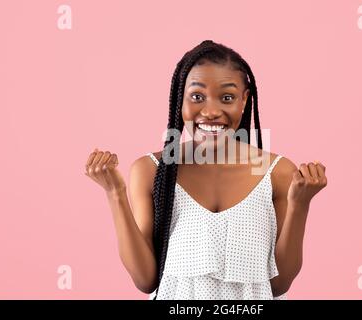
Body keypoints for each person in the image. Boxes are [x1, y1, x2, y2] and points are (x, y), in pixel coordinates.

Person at [84, 40, 327, 300]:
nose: (211, 111)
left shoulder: (276, 173)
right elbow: (146, 280)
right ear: (180, 98)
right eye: (197, 97)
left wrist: (300, 204)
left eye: (227, 97)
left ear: (244, 100)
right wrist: (115, 192)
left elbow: (278, 285)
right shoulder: (152, 171)